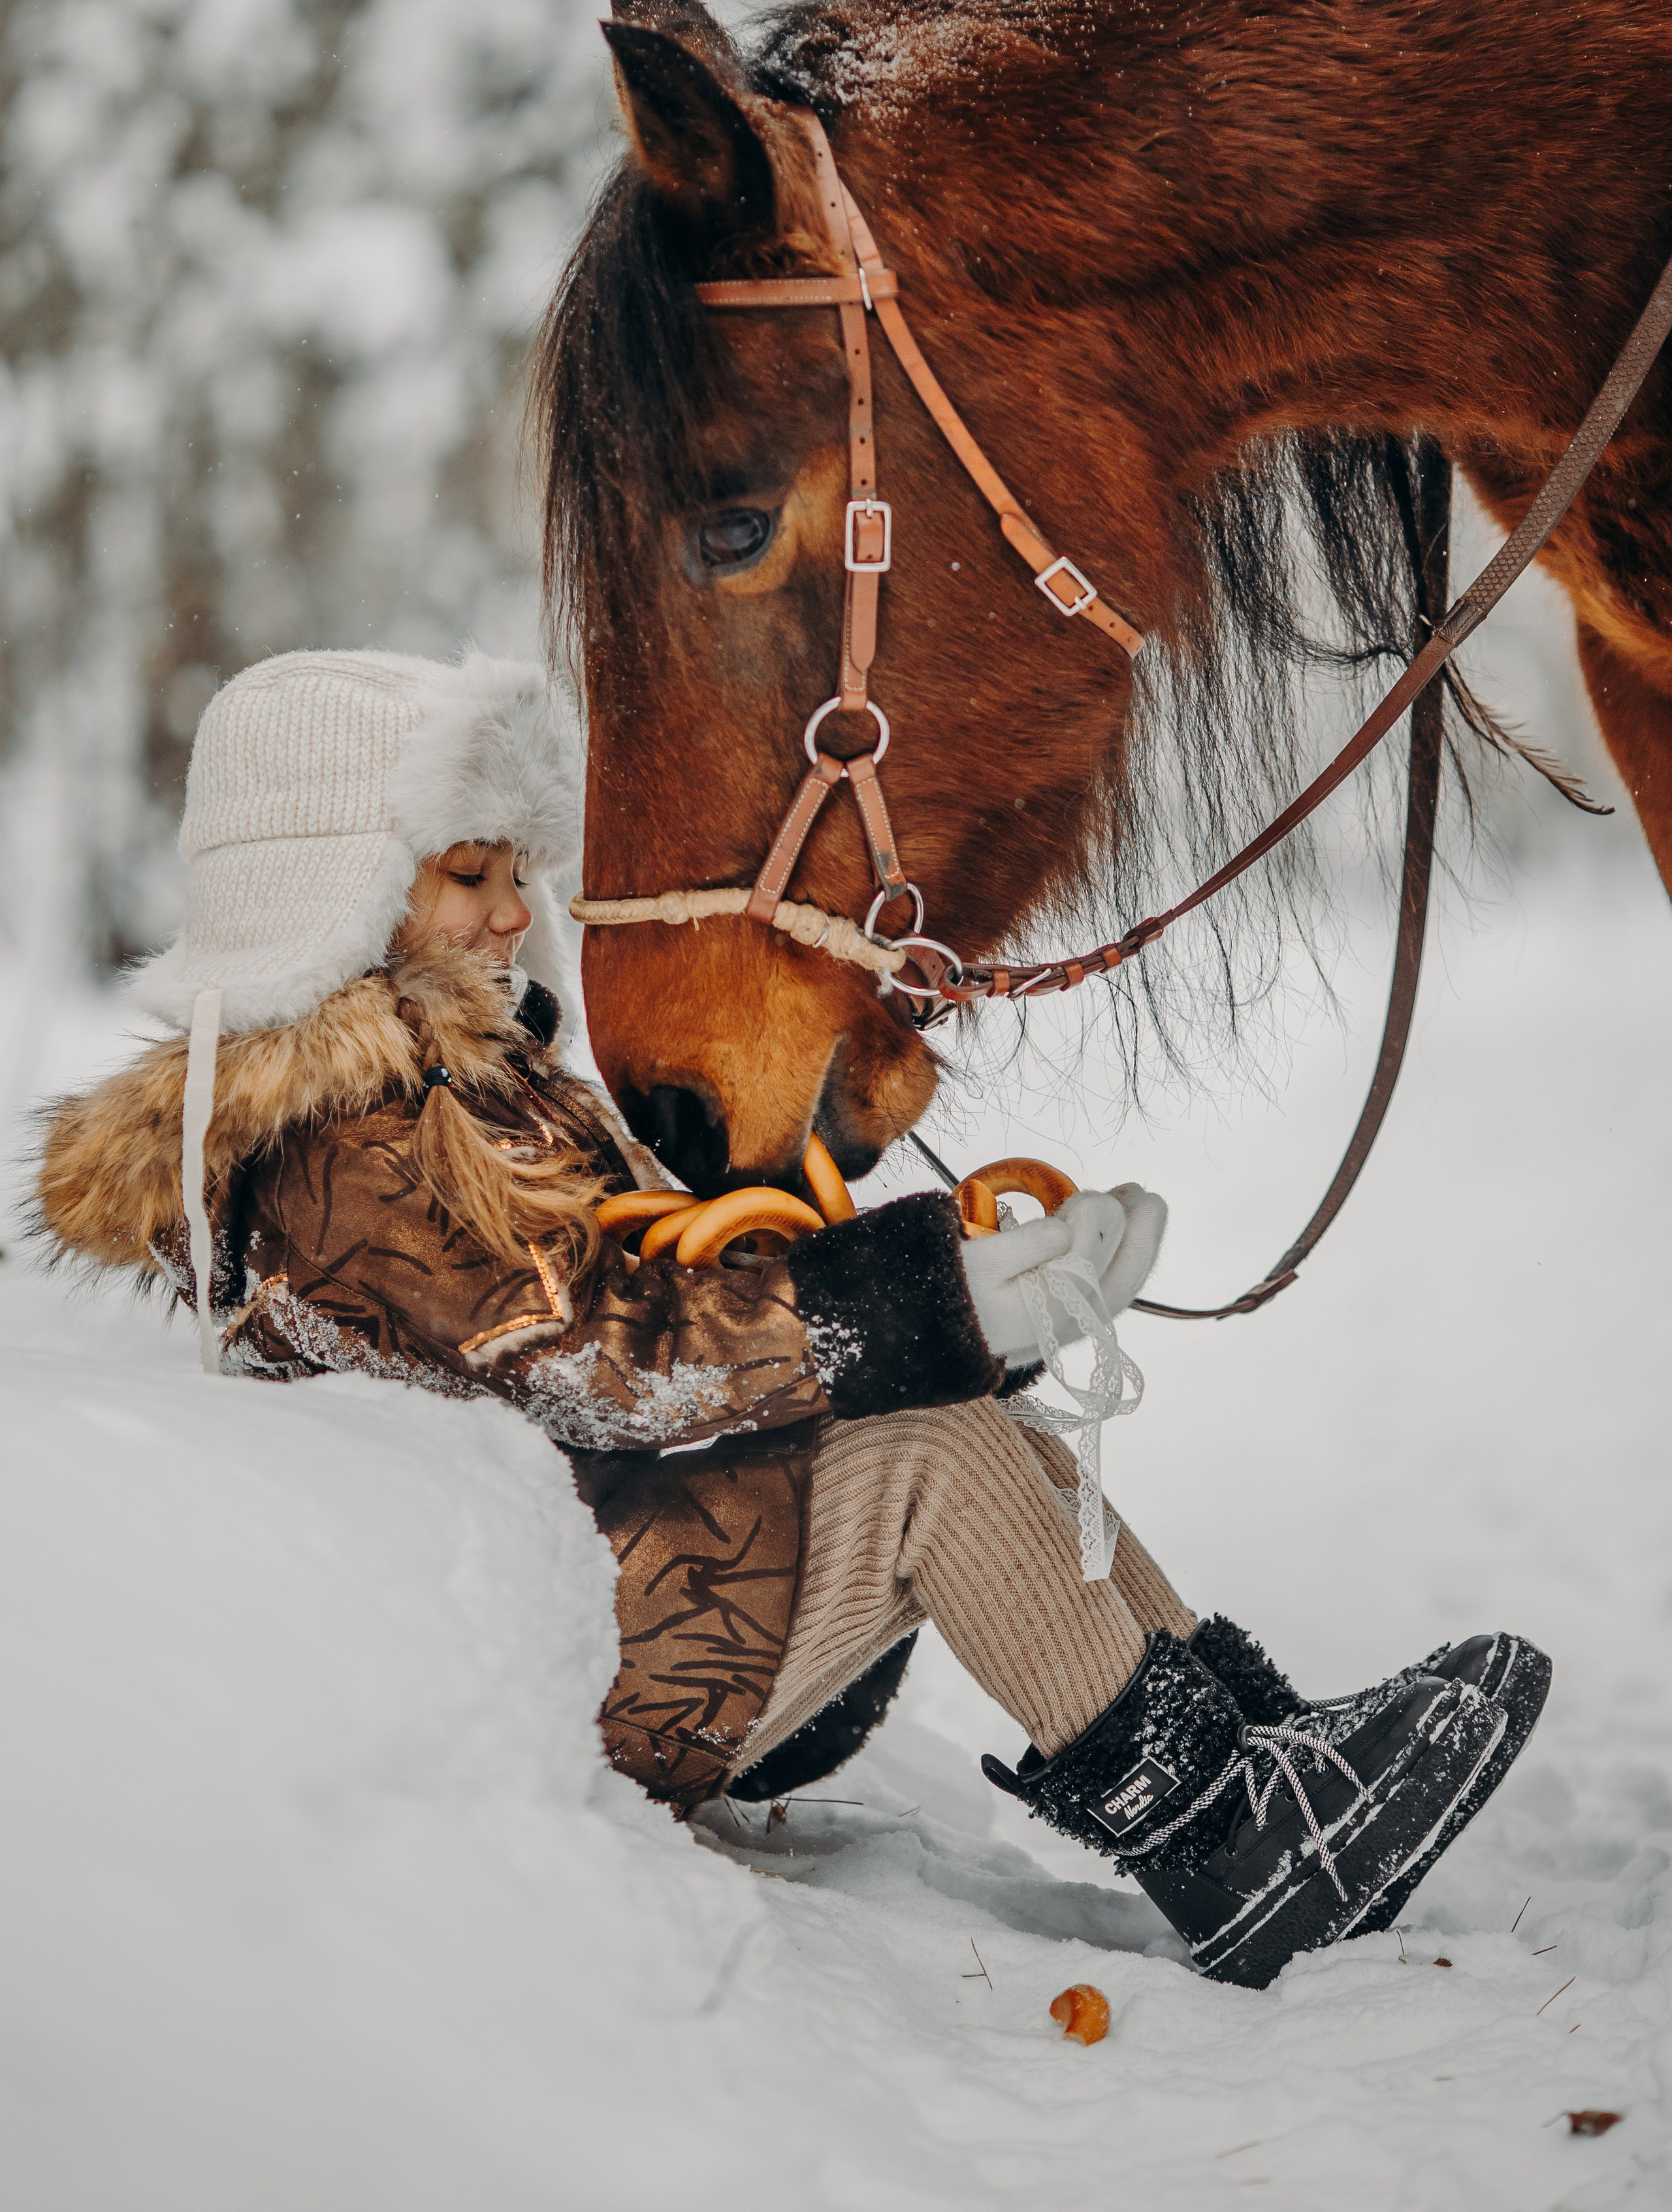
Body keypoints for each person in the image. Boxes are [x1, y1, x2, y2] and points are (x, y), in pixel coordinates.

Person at [35, 648, 1549, 1990]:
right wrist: (925, 1300)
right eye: (466, 871)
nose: (514, 908)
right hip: (588, 1657)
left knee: (978, 1420)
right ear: (339, 892)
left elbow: (649, 1278)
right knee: (931, 1460)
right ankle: (1229, 1845)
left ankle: (1250, 1747)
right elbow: (604, 1362)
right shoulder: (353, 1150)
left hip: (656, 1568)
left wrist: (941, 1281)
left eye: (513, 866)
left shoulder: (468, 1089)